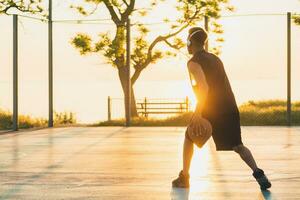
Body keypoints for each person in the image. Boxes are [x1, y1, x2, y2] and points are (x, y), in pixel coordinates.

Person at [172, 27, 271, 190]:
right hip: (229, 107)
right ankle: (259, 174)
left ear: (190, 42)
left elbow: (204, 88)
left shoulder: (193, 63)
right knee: (238, 146)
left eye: (187, 42)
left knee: (189, 136)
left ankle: (185, 177)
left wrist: (198, 113)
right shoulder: (216, 58)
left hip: (211, 109)